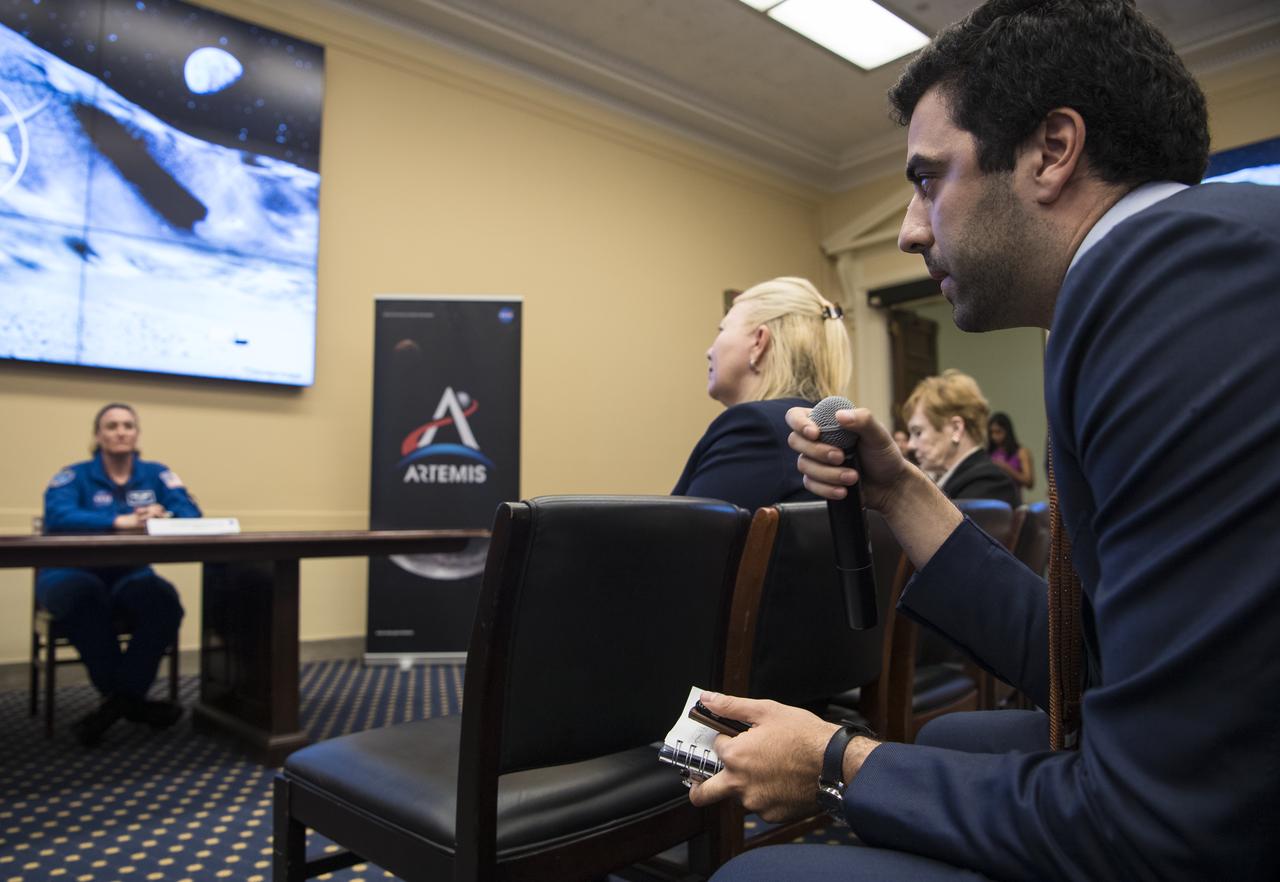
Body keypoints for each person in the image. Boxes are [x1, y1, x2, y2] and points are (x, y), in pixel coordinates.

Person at [687, 0, 1280, 879]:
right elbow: (1081, 666)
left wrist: (835, 764)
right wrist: (897, 490)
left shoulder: (1170, 284)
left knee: (756, 874)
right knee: (961, 732)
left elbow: (1163, 824)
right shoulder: (1176, 271)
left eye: (930, 178)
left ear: (1051, 150)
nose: (909, 228)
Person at [39, 403, 201, 746]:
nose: (120, 431)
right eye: (111, 426)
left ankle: (117, 705)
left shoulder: (156, 474)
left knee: (163, 602)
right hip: (72, 573)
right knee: (85, 599)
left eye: (128, 425)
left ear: (137, 434)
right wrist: (119, 521)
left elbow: (191, 512)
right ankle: (133, 703)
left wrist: (165, 514)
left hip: (129, 573)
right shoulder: (74, 476)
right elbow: (58, 517)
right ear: (98, 435)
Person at [672, 276, 852, 511]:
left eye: (722, 329)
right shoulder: (822, 428)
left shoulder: (755, 430)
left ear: (759, 342)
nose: (709, 350)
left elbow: (686, 538)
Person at [903, 370, 1019, 507]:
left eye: (918, 432)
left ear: (956, 428)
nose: (910, 445)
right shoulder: (946, 480)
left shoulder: (989, 484)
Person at [987, 411, 1035, 495]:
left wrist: (1007, 468)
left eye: (998, 432)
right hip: (992, 500)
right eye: (992, 432)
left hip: (1013, 502)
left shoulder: (1021, 452)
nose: (994, 436)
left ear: (1007, 431)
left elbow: (1029, 482)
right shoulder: (988, 453)